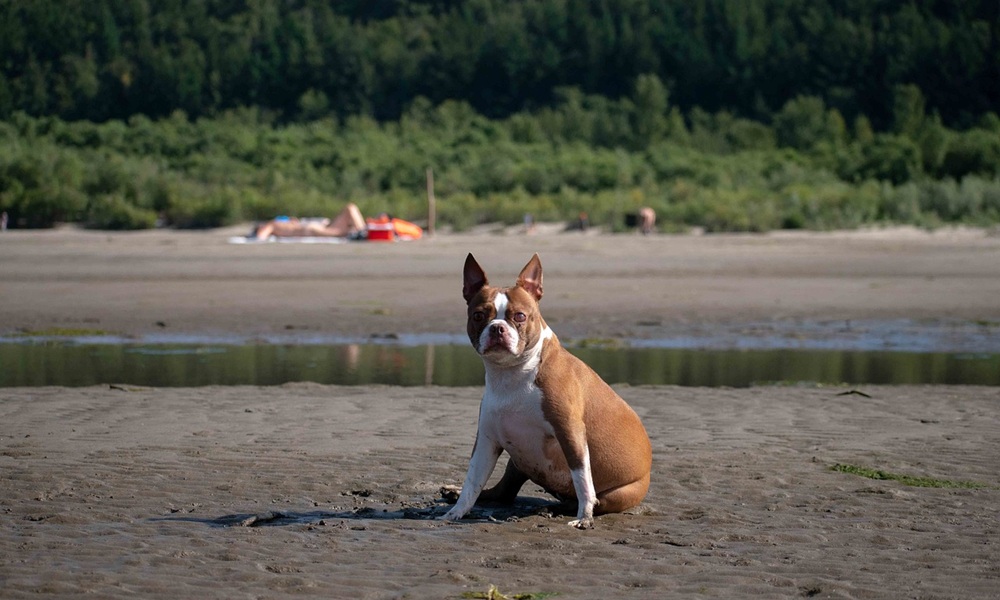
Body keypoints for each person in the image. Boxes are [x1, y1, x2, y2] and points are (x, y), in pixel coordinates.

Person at [253, 203, 366, 240]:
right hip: (313, 229)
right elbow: (260, 236)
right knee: (346, 229)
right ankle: (361, 232)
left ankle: (362, 230)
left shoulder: (289, 224)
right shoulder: (272, 224)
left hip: (321, 225)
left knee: (351, 207)